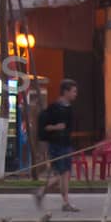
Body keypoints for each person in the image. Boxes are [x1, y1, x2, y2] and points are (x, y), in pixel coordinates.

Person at [35, 78, 80, 213]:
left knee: (64, 174)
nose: (75, 94)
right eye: (73, 91)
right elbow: (44, 127)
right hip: (57, 146)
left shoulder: (69, 108)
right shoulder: (54, 108)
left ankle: (42, 192)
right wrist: (56, 127)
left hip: (66, 145)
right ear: (65, 91)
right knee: (63, 174)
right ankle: (65, 202)